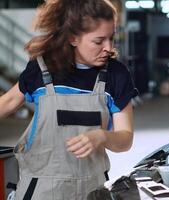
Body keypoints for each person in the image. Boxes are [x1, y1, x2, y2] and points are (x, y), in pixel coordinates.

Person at [0, 0, 138, 199]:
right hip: (40, 191)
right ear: (73, 38)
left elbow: (125, 139)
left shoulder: (117, 75)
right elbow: (7, 103)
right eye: (99, 41)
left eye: (111, 38)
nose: (108, 47)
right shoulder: (41, 69)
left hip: (93, 191)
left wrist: (101, 136)